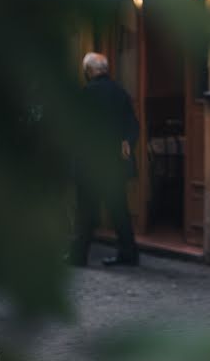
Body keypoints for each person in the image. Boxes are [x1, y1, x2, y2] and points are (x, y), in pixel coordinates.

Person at [71, 52, 140, 267]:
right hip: (115, 164)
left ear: (89, 71)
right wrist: (127, 143)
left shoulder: (86, 94)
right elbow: (133, 125)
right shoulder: (120, 93)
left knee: (86, 212)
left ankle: (79, 255)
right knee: (119, 210)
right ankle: (129, 253)